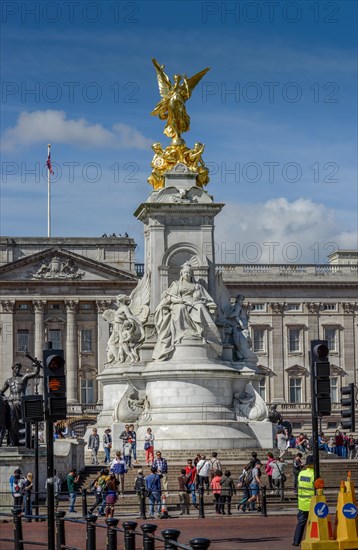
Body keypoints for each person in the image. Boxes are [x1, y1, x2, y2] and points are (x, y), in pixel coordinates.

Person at [153, 262, 222, 361]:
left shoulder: (196, 286)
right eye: (185, 273)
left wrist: (199, 300)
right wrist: (178, 300)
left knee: (201, 307)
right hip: (180, 303)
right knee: (180, 308)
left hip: (193, 303)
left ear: (192, 274)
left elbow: (204, 297)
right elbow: (171, 298)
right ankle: (181, 334)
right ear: (181, 273)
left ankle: (205, 334)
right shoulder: (176, 285)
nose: (187, 274)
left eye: (189, 273)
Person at [1, 362, 40, 446]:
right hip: (11, 403)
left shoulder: (24, 377)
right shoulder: (8, 381)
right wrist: (5, 398)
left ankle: (23, 440)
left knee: (22, 423)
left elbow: (35, 373)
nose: (17, 369)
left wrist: (35, 365)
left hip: (20, 402)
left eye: (18, 367)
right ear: (13, 369)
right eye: (16, 367)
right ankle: (13, 441)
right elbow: (1, 392)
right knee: (12, 423)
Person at [292, 455, 315, 546]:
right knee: (314, 523)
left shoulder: (301, 473)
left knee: (301, 523)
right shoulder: (315, 474)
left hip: (302, 502)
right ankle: (312, 539)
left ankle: (296, 541)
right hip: (312, 503)